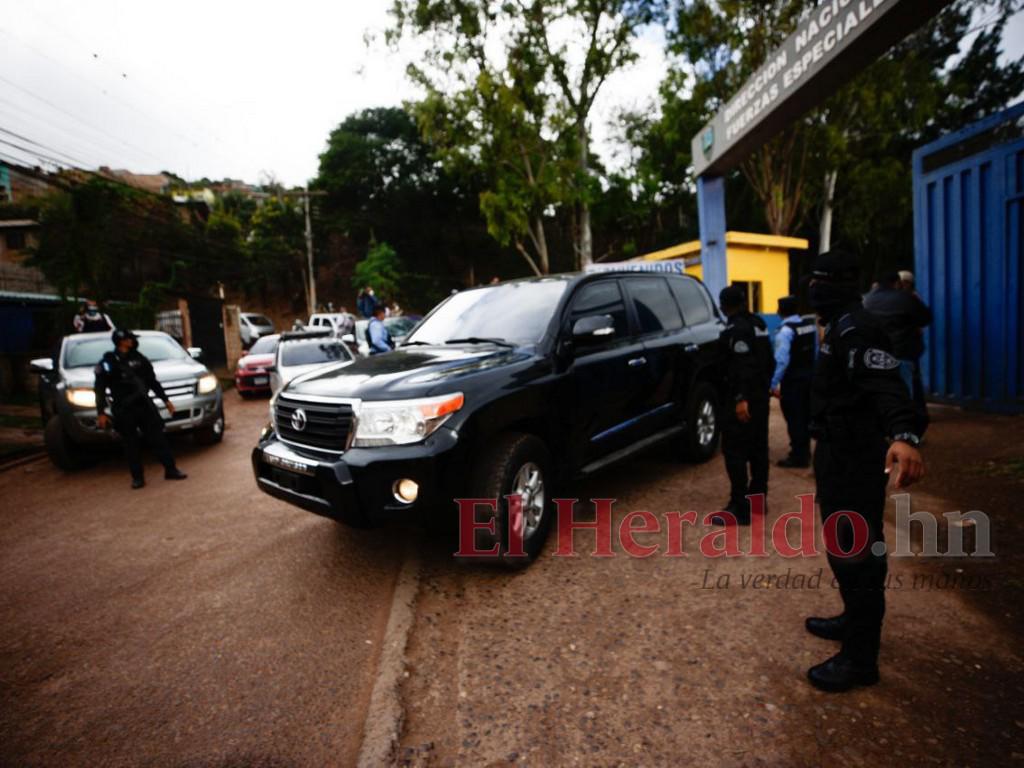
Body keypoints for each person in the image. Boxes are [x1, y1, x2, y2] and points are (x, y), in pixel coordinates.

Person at [805, 250, 925, 692]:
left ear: (839, 284)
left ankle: (860, 659)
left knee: (858, 554)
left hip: (855, 459)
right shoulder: (840, 324)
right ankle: (853, 621)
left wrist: (904, 435)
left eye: (820, 281)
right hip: (837, 453)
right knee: (844, 548)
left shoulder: (858, 328)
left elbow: (886, 386)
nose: (813, 288)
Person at [711, 285, 775, 526]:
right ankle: (758, 501)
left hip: (742, 400)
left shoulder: (736, 329)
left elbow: (742, 366)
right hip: (759, 397)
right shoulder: (758, 323)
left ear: (724, 306)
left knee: (735, 451)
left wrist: (740, 398)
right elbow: (768, 360)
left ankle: (740, 507)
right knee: (758, 449)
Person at [94, 329, 188, 489]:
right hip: (124, 409)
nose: (133, 341)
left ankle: (170, 469)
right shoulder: (108, 362)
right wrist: (101, 412)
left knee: (158, 438)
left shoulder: (139, 358)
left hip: (144, 405)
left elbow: (152, 381)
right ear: (122, 341)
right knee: (130, 444)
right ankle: (137, 478)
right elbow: (100, 388)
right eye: (129, 338)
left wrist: (165, 400)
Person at [863, 271, 932, 420]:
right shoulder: (906, 298)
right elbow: (925, 318)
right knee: (904, 396)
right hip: (902, 353)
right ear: (896, 283)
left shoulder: (867, 300)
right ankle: (905, 428)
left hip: (874, 357)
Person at [770, 296, 816, 468]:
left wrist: (772, 383)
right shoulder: (809, 326)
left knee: (795, 418)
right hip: (809, 378)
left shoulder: (785, 331)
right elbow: (815, 352)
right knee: (805, 415)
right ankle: (805, 452)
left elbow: (781, 361)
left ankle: (799, 456)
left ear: (779, 311)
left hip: (793, 382)